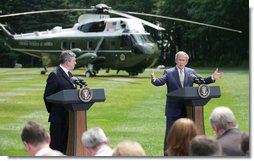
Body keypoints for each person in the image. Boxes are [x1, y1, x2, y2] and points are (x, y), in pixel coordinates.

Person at [150, 51, 223, 155]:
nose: (181, 62)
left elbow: (201, 81)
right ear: (176, 61)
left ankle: (188, 152)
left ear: (186, 62)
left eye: (183, 60)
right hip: (173, 109)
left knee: (187, 133)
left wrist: (212, 77)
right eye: (179, 60)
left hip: (188, 108)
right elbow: (159, 82)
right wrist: (153, 79)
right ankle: (167, 155)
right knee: (170, 133)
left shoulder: (191, 72)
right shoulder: (169, 72)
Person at [43, 50, 76, 154]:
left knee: (66, 147)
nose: (75, 63)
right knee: (56, 148)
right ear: (67, 62)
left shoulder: (69, 74)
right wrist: (53, 111)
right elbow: (47, 96)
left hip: (69, 117)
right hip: (58, 119)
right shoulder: (55, 75)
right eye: (74, 61)